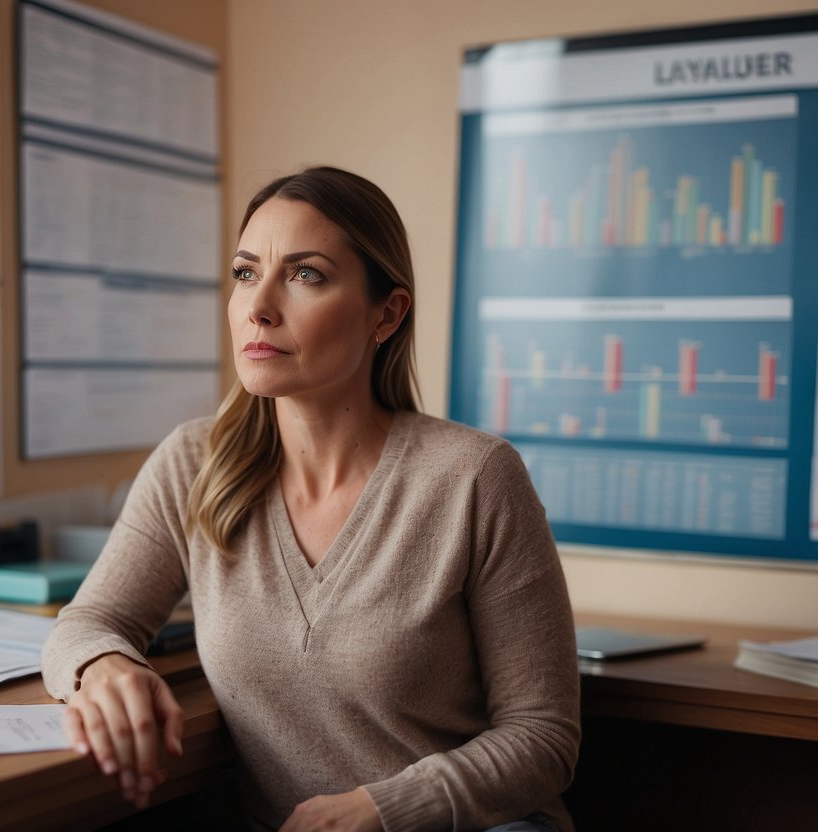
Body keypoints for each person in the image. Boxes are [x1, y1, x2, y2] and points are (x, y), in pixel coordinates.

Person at [41, 166, 580, 832]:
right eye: (245, 273)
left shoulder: (474, 476)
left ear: (387, 313)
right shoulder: (193, 462)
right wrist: (103, 667)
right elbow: (87, 620)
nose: (259, 306)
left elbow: (543, 736)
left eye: (306, 275)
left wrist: (382, 811)